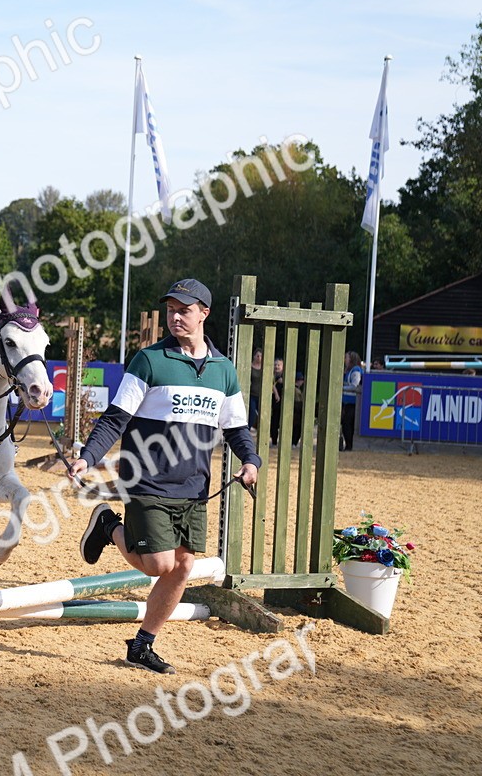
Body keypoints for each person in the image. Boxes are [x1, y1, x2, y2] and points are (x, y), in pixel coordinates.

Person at [72, 278, 260, 675]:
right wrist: (88, 457)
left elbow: (236, 429)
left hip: (194, 487)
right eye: (171, 310)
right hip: (147, 481)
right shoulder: (149, 360)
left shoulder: (224, 371)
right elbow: (115, 419)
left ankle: (142, 646)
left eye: (184, 310)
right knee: (158, 564)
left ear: (204, 313)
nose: (175, 317)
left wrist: (250, 461)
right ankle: (108, 526)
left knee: (183, 566)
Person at [341, 351, 364, 451]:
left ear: (351, 359)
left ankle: (349, 446)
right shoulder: (349, 371)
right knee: (346, 424)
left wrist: (341, 388)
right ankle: (348, 445)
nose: (344, 360)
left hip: (353, 403)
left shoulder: (355, 370)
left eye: (346, 358)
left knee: (347, 424)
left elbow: (355, 386)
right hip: (348, 402)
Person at [269, 358, 284, 446]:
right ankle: (274, 440)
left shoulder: (285, 376)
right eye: (275, 365)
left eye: (279, 365)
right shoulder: (271, 375)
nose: (277, 366)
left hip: (283, 402)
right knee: (274, 420)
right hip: (274, 402)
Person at [247, 348, 263, 429]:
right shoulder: (250, 366)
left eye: (261, 356)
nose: (259, 358)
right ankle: (248, 429)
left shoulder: (264, 367)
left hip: (261, 394)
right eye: (257, 356)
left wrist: (276, 393)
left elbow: (270, 380)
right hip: (252, 394)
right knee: (252, 413)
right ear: (254, 356)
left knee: (262, 414)